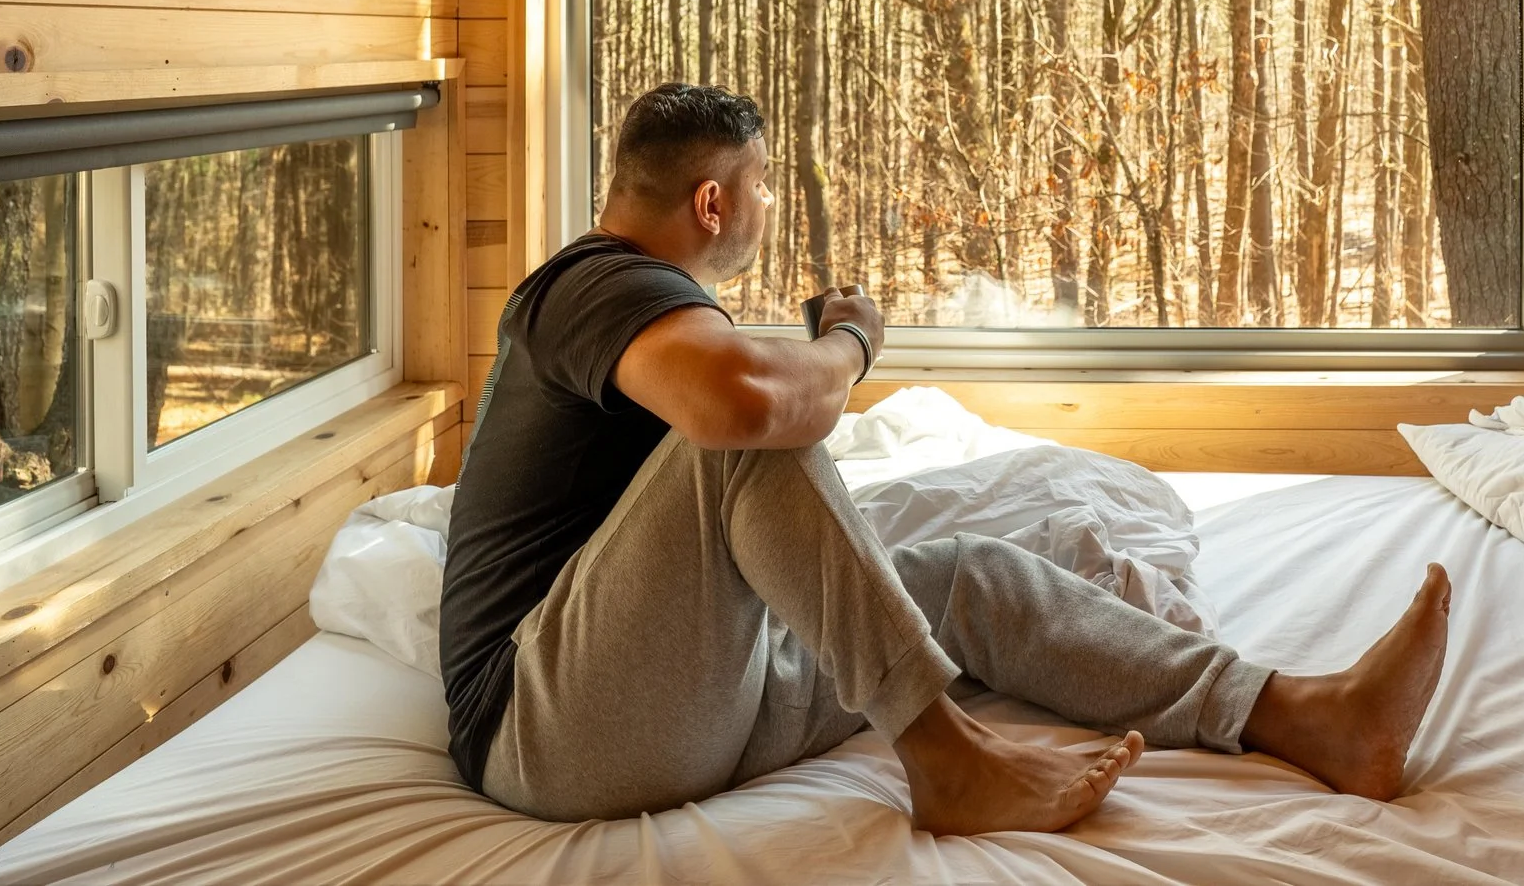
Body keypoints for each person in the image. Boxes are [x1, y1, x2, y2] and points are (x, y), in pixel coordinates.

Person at [441, 82, 1453, 834]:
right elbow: (745, 405)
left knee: (968, 571)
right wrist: (852, 342)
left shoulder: (640, 305)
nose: (767, 207)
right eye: (762, 188)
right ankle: (945, 756)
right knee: (746, 439)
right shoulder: (592, 283)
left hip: (677, 703)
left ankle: (1308, 716)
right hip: (546, 728)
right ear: (713, 202)